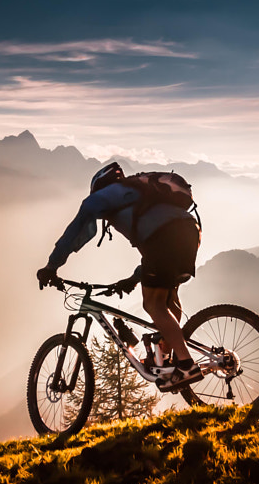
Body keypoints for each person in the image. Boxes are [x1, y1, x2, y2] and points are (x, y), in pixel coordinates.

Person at [36, 161, 202, 390]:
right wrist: (134, 279)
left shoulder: (101, 198)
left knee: (154, 305)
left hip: (164, 239)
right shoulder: (139, 197)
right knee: (168, 299)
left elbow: (75, 230)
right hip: (190, 232)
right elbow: (153, 252)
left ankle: (186, 365)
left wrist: (51, 266)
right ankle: (168, 363)